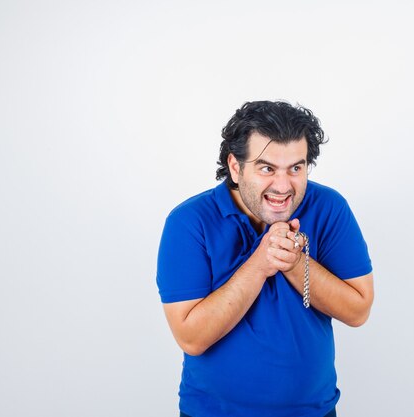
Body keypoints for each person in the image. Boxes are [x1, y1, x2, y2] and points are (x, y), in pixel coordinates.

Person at [156, 100, 374, 417]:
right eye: (267, 168)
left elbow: (358, 311)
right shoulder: (189, 222)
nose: (283, 186)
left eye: (296, 168)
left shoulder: (329, 207)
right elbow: (191, 338)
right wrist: (261, 263)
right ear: (235, 166)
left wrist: (295, 263)